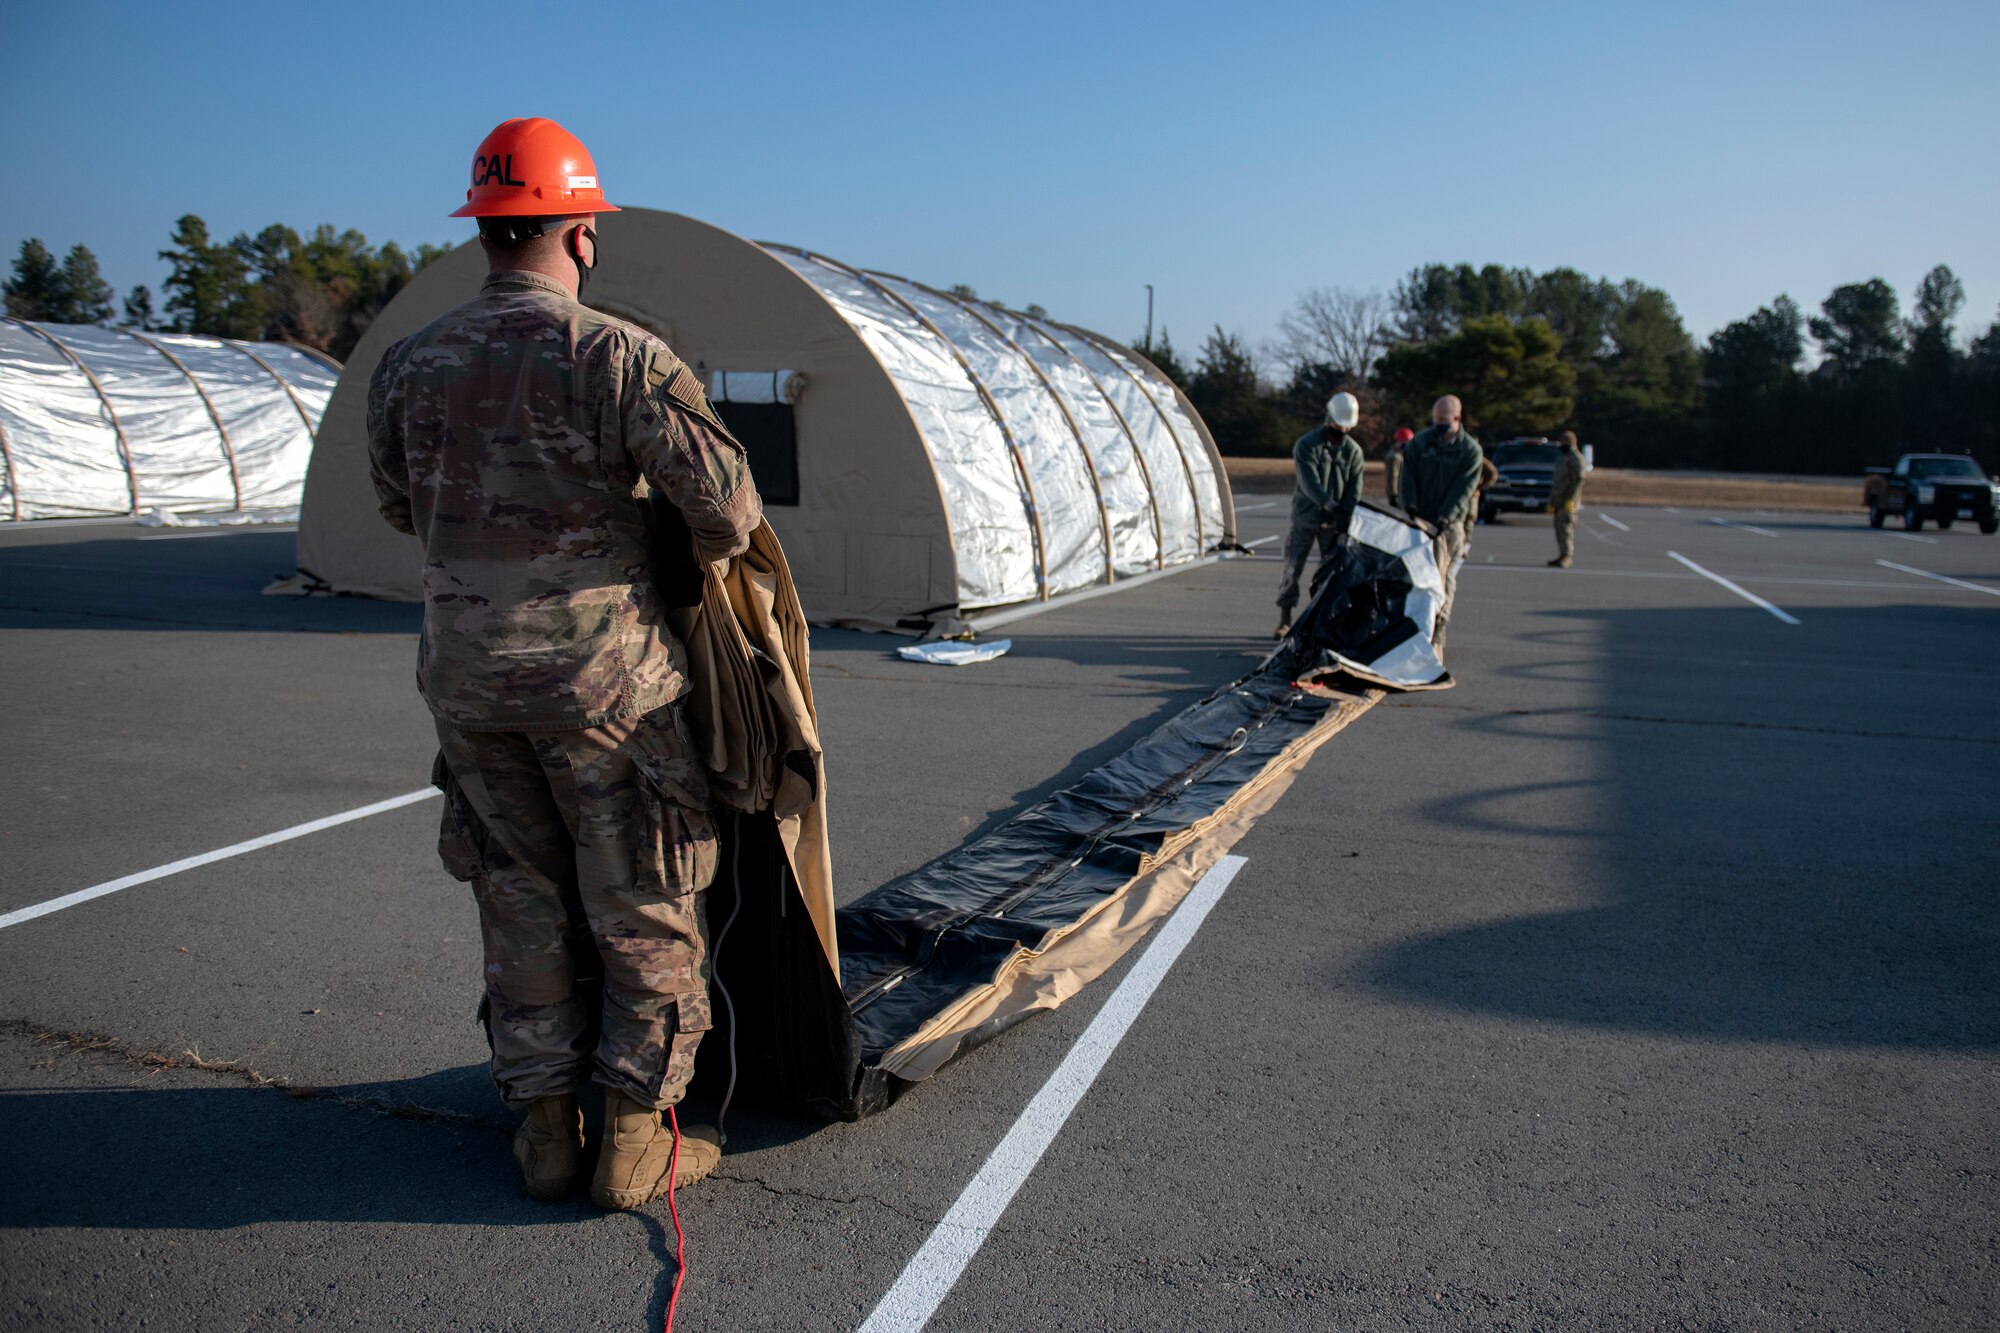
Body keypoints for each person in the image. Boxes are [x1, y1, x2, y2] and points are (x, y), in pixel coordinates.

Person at [368, 117, 762, 1210]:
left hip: (469, 689)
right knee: (641, 899)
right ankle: (635, 1140)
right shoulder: (618, 355)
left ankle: (545, 1129)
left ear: (487, 229)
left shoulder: (409, 362)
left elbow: (403, 504)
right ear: (581, 231)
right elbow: (725, 509)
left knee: (519, 901)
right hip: (606, 693)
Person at [1274, 391, 1366, 638]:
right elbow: (1309, 482)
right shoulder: (1307, 445)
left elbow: (1354, 487)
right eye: (1338, 425)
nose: (1342, 431)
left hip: (1333, 524)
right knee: (1292, 568)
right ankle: (1285, 619)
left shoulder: (1353, 453)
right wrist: (1329, 504)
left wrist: (1346, 513)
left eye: (1347, 427)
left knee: (1332, 574)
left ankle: (1324, 621)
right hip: (1306, 517)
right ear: (1328, 418)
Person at [1398, 394, 1484, 652]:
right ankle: (1411, 632)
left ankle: (1437, 633)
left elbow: (1464, 489)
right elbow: (1408, 476)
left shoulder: (1469, 451)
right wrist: (1410, 507)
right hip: (1419, 521)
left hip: (1449, 526)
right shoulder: (1420, 444)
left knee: (1442, 581)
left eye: (1444, 420)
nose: (1439, 424)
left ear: (1457, 419)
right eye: (1436, 419)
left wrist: (1447, 516)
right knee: (1412, 578)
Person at [1548, 430, 1586, 567]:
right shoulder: (1563, 457)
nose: (1561, 445)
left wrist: (1571, 499)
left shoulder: (1576, 458)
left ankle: (1567, 556)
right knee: (1559, 528)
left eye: (1564, 443)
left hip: (1568, 501)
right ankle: (1561, 554)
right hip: (1559, 500)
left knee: (1566, 528)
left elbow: (1579, 479)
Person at [1384, 426, 1413, 506]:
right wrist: (1393, 496)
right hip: (1398, 496)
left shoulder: (1402, 455)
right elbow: (1392, 477)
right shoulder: (1394, 457)